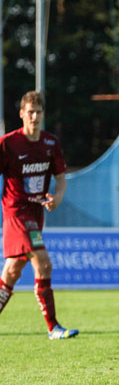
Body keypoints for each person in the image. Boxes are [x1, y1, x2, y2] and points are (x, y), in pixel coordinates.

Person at [0, 91, 77, 340]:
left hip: (36, 212)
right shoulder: (8, 143)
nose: (34, 116)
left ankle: (53, 327)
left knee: (12, 271)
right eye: (29, 112)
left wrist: (59, 197)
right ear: (22, 114)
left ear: (43, 114)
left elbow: (61, 177)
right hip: (16, 212)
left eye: (38, 112)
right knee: (43, 261)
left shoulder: (51, 143)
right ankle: (53, 327)